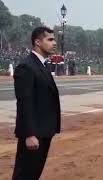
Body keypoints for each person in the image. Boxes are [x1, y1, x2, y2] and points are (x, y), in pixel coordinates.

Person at [12, 27, 61, 180]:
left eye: (54, 39)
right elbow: (24, 103)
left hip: (44, 130)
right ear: (37, 42)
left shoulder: (42, 65)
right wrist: (29, 134)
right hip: (34, 134)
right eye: (50, 39)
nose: (54, 43)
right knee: (24, 175)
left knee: (34, 174)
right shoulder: (27, 67)